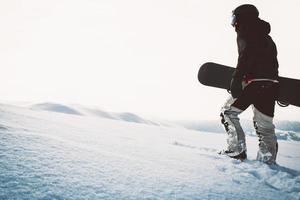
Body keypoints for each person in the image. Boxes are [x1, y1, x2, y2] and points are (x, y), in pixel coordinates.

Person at [220, 4, 279, 164]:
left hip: (252, 84)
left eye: (234, 18)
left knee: (228, 113)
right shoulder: (267, 37)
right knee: (265, 126)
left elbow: (246, 56)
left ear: (241, 17)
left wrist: (236, 79)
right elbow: (273, 63)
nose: (233, 23)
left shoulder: (245, 31)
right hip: (270, 85)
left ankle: (237, 149)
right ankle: (267, 161)